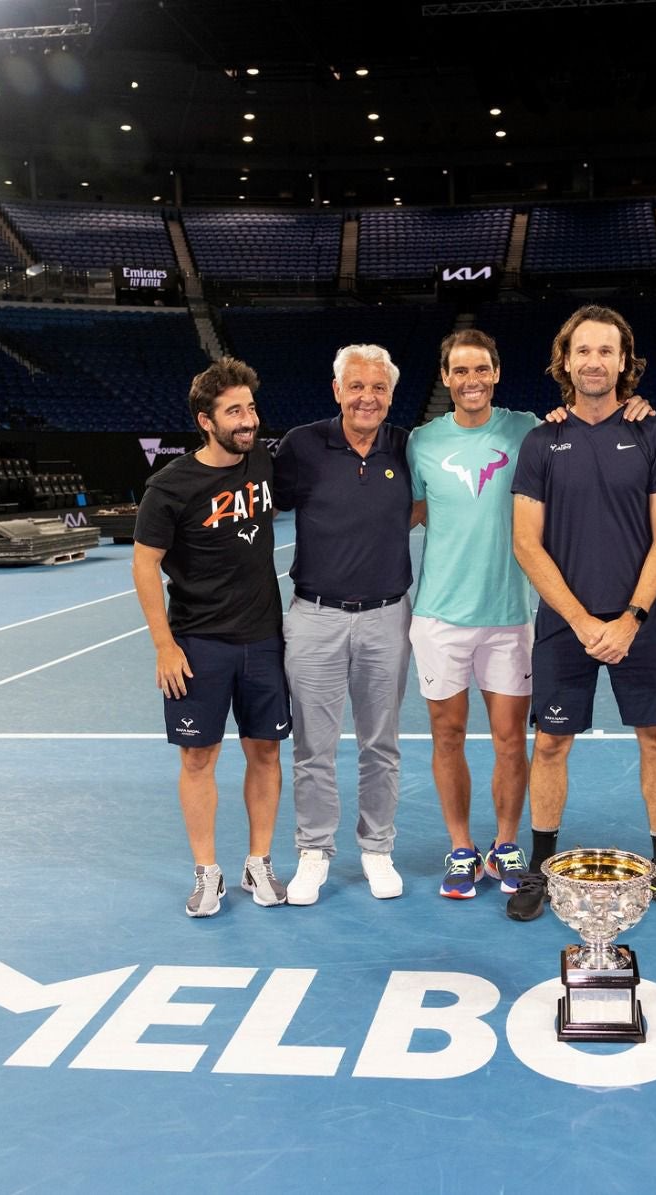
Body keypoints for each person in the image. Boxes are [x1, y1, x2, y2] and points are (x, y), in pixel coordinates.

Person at [508, 304, 656, 922]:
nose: (594, 362)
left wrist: (631, 618)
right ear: (565, 361)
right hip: (566, 626)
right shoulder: (542, 440)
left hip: (643, 624)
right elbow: (525, 542)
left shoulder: (653, 435)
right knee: (551, 746)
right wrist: (583, 621)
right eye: (583, 351)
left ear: (625, 362)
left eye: (607, 352)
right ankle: (541, 868)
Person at [130, 357, 289, 918]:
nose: (248, 420)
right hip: (198, 645)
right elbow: (144, 565)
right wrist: (163, 645)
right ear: (206, 419)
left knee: (265, 751)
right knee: (199, 757)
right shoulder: (169, 486)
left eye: (250, 408)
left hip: (264, 638)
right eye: (234, 411)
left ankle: (259, 862)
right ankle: (207, 871)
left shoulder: (264, 460)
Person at [273, 344, 414, 906]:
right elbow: (258, 507)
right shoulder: (302, 446)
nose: (367, 397)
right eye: (356, 386)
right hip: (314, 618)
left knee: (382, 744)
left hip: (387, 618)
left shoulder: (406, 447)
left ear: (390, 394)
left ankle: (377, 849)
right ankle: (314, 851)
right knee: (314, 746)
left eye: (378, 388)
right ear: (337, 390)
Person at [406, 330, 537, 900]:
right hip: (439, 616)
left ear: (497, 372)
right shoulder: (420, 443)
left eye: (480, 369)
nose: (471, 380)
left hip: (509, 614)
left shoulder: (526, 428)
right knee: (447, 735)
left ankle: (506, 843)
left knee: (511, 740)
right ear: (445, 378)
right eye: (460, 371)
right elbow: (406, 513)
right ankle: (461, 847)